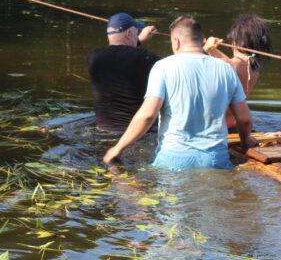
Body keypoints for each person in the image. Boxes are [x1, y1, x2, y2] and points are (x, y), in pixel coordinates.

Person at [103, 15, 258, 169]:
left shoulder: (163, 66)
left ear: (176, 41)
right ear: (201, 40)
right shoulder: (226, 69)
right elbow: (244, 119)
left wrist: (118, 148)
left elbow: (148, 115)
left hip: (172, 159)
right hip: (215, 160)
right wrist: (245, 142)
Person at [87, 13, 159, 132]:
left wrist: (138, 39)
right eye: (136, 33)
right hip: (137, 133)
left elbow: (120, 53)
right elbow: (175, 67)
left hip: (104, 129)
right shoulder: (147, 58)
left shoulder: (93, 57)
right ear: (129, 33)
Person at [203, 14, 272, 129]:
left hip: (215, 125)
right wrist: (211, 50)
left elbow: (190, 63)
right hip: (233, 122)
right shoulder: (254, 68)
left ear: (235, 41)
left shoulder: (228, 65)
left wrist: (205, 49)